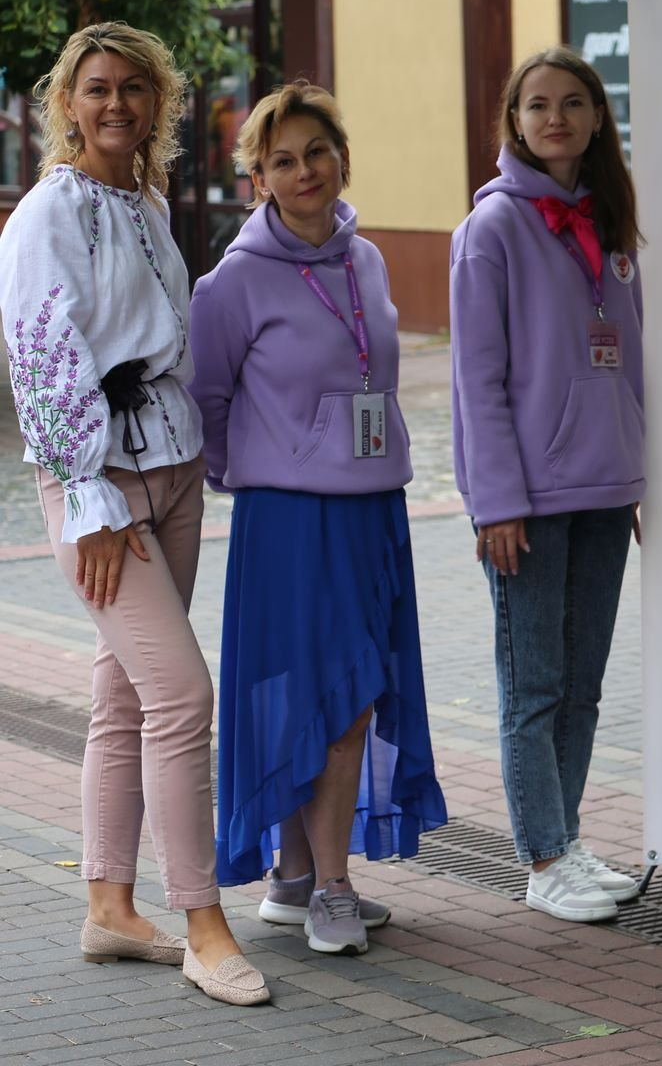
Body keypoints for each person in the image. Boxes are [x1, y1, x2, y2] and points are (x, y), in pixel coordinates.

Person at [0, 22, 266, 1005]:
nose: (116, 104)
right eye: (97, 87)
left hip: (175, 467)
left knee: (126, 695)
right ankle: (202, 921)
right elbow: (41, 358)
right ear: (68, 103)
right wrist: (90, 500)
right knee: (184, 697)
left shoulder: (148, 202)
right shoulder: (47, 213)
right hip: (100, 482)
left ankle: (110, 908)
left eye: (134, 88)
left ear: (159, 102)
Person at [188, 83, 448, 955]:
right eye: (283, 160)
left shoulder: (365, 260)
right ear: (258, 178)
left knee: (351, 693)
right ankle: (334, 890)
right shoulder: (233, 281)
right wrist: (256, 474)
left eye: (317, 153)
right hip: (292, 523)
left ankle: (296, 879)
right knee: (337, 702)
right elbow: (207, 399)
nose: (304, 171)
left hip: (373, 508)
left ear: (342, 160)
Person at [450, 46, 645, 923]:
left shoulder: (612, 222)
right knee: (533, 688)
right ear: (515, 122)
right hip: (527, 501)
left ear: (598, 118)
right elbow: (476, 379)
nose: (555, 117)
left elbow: (631, 358)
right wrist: (495, 502)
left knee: (584, 683)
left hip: (605, 489)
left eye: (573, 102)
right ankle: (542, 860)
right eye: (537, 104)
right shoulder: (492, 229)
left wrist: (637, 471)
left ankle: (566, 838)